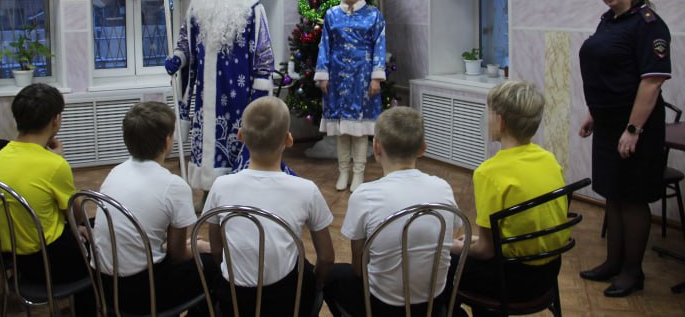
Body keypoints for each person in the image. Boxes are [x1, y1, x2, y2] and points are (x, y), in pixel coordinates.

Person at [578, 0, 671, 297]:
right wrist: (593, 112)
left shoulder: (649, 25)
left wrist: (633, 129)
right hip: (607, 124)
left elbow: (652, 81)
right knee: (613, 194)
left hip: (635, 127)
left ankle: (633, 271)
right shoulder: (610, 20)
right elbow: (607, 73)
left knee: (632, 198)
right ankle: (613, 263)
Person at [203, 96, 335, 317]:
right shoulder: (306, 189)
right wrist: (317, 285)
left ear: (240, 136)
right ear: (289, 140)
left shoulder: (220, 186)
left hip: (234, 303)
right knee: (303, 266)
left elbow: (216, 249)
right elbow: (327, 257)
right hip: (287, 303)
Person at [323, 106, 460, 317]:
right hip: (432, 304)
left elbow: (359, 267)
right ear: (422, 148)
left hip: (383, 307)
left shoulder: (364, 195)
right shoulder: (443, 188)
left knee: (332, 276)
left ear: (376, 146)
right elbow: (450, 236)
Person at [165, 0, 275, 201]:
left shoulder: (253, 6)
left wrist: (260, 92)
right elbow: (185, 41)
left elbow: (264, 52)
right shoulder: (198, 3)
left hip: (239, 96)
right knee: (206, 146)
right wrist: (178, 58)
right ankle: (208, 198)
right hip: (206, 94)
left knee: (239, 145)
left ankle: (237, 200)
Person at [449, 81, 568, 313]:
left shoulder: (489, 173)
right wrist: (473, 240)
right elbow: (522, 225)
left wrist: (453, 246)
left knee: (442, 264)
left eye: (489, 113)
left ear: (500, 121)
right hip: (550, 271)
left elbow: (486, 251)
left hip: (512, 281)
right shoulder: (549, 160)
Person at [92, 101, 216, 315]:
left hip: (104, 286)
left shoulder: (115, 172)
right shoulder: (174, 186)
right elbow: (178, 255)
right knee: (213, 264)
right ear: (168, 141)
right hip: (144, 292)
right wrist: (199, 247)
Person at [0, 83, 94, 315]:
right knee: (101, 233)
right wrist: (59, 160)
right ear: (55, 120)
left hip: (14, 259)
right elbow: (76, 214)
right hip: (48, 262)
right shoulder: (53, 165)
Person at [315, 0, 386, 192]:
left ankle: (358, 173)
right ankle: (343, 171)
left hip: (362, 77)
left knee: (360, 129)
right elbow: (325, 45)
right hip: (337, 77)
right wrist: (323, 75)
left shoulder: (373, 14)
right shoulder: (331, 14)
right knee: (341, 129)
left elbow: (379, 45)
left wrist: (376, 77)